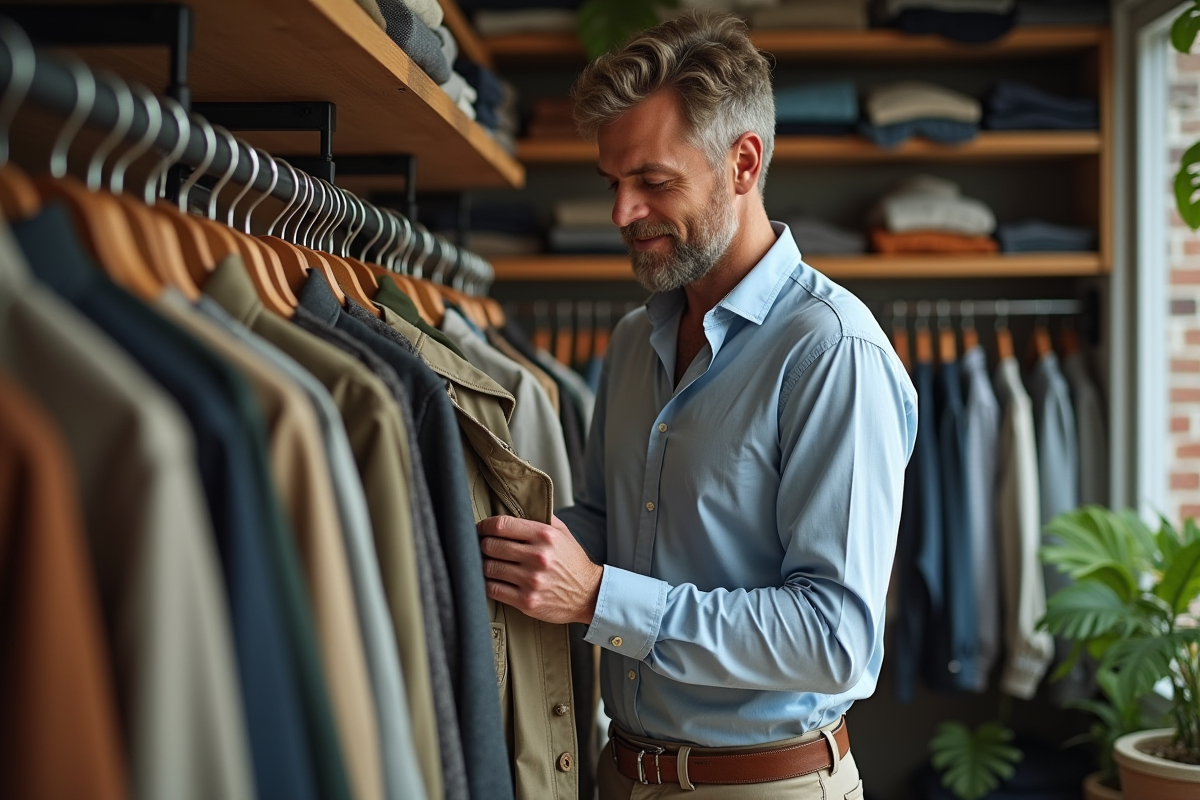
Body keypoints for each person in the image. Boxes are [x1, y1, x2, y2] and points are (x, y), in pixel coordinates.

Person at [476, 12, 918, 799]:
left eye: (653, 181)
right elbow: (620, 528)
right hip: (621, 774)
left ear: (743, 164)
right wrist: (497, 536)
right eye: (613, 184)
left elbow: (834, 639)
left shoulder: (831, 352)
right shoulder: (629, 340)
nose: (622, 214)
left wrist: (597, 596)